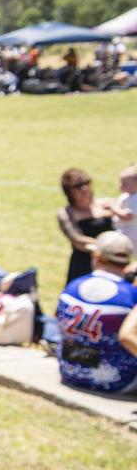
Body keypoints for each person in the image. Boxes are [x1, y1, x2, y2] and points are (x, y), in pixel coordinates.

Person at [54, 232, 137, 393]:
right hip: (118, 381)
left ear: (97, 257)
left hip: (70, 372)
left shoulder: (73, 286)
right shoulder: (131, 295)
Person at [57, 168, 118, 287]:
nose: (84, 188)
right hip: (84, 263)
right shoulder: (67, 213)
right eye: (78, 186)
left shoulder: (107, 204)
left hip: (114, 261)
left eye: (87, 183)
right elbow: (77, 240)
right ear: (69, 191)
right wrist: (110, 246)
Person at [114, 165, 137, 252]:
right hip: (125, 231)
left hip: (131, 233)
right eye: (121, 182)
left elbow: (127, 216)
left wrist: (113, 209)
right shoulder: (127, 195)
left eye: (125, 184)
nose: (121, 185)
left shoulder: (135, 199)